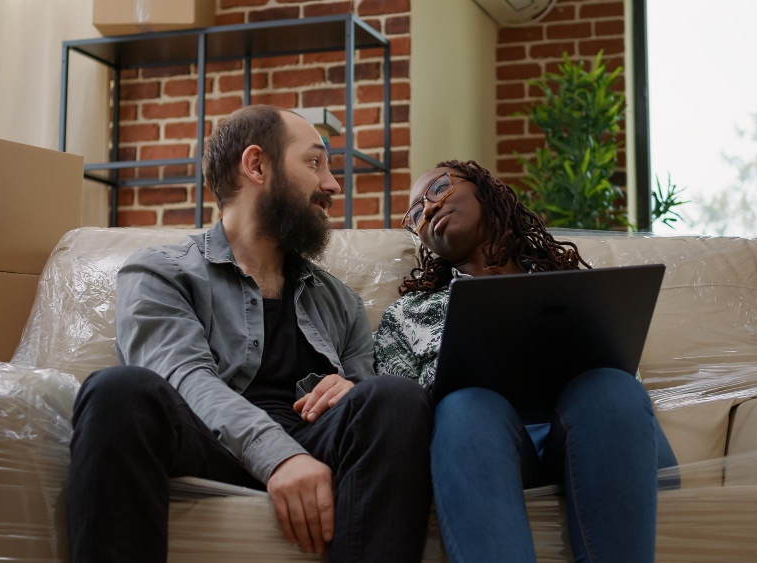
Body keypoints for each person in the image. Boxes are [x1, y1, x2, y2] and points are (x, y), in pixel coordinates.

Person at [66, 105, 433, 563]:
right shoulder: (161, 272)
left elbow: (369, 406)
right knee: (116, 390)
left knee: (394, 397)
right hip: (205, 444)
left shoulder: (341, 301)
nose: (333, 185)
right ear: (257, 165)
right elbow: (185, 379)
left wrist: (354, 388)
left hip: (313, 440)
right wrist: (279, 457)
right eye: (315, 162)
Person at [374, 159, 679, 563]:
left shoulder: (576, 286)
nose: (427, 209)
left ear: (484, 187)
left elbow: (626, 371)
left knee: (610, 387)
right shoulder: (406, 316)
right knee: (466, 407)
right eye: (415, 214)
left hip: (599, 441)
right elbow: (401, 419)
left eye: (438, 189)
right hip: (482, 452)